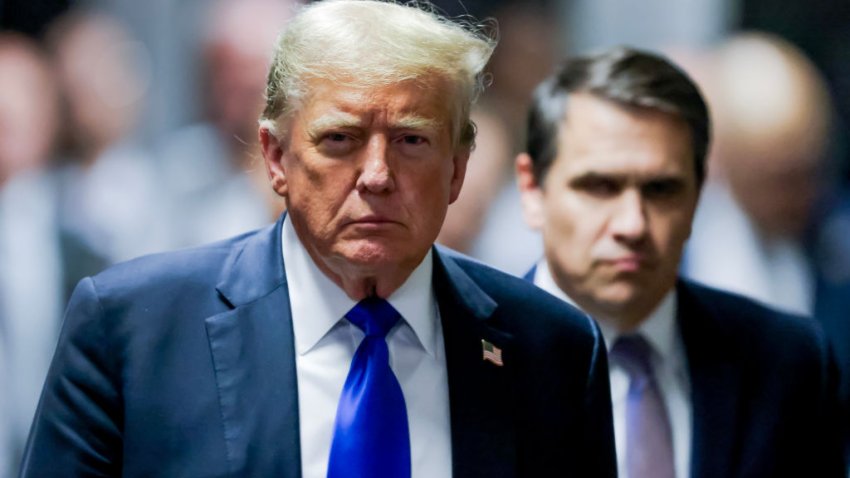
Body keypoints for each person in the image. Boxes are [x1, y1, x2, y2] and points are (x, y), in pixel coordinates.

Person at [20, 1, 616, 477]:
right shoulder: (132, 332)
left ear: (458, 170)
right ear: (275, 157)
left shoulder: (552, 351)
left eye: (411, 140)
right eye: (340, 140)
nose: (377, 175)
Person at [516, 46, 845, 477]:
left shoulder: (787, 362)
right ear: (532, 191)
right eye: (600, 186)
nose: (632, 224)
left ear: (698, 196)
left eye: (662, 190)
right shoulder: (463, 358)